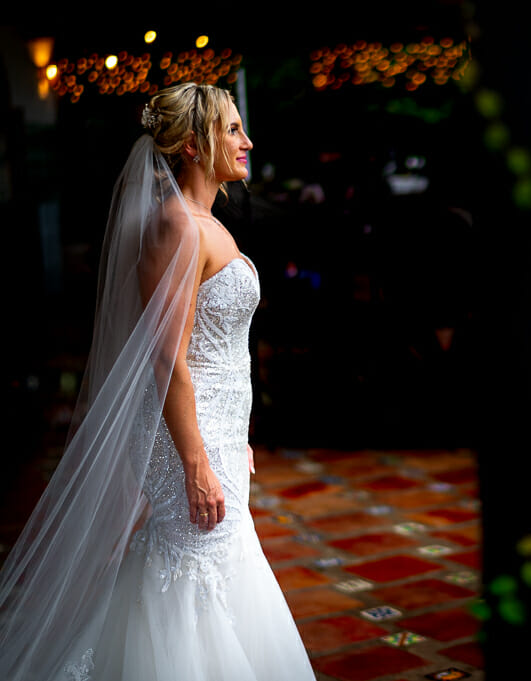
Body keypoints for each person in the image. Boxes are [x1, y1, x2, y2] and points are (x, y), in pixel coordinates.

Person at [0, 83, 316, 680]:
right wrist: (196, 459)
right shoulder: (179, 226)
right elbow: (168, 360)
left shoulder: (202, 221)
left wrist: (231, 433)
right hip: (189, 439)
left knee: (212, 560)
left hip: (214, 429)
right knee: (193, 564)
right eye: (232, 131)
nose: (247, 142)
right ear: (194, 146)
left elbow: (216, 349)